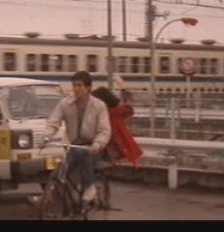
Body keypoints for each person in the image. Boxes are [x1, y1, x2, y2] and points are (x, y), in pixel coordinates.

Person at [30, 70, 111, 205]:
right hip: (74, 145)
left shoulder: (99, 106)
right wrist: (46, 138)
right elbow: (53, 122)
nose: (76, 89)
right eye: (74, 85)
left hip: (93, 147)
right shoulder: (65, 104)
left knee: (81, 154)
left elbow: (104, 130)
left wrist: (98, 144)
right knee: (59, 171)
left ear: (88, 87)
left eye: (80, 85)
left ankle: (90, 187)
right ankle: (45, 198)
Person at [91, 76, 143, 168]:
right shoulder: (116, 112)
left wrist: (122, 86)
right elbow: (129, 106)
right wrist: (123, 86)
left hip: (113, 152)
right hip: (122, 152)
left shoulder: (111, 114)